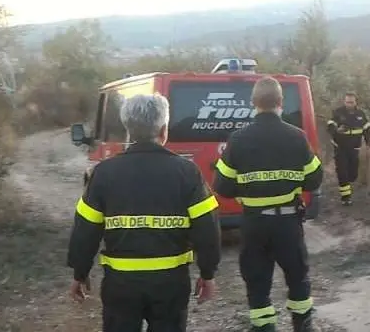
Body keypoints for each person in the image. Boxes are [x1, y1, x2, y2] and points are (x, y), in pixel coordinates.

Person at [66, 93, 221, 332]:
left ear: (128, 131)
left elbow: (85, 229)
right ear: (164, 130)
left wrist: (80, 272)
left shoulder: (104, 173)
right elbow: (207, 227)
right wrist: (208, 273)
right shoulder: (188, 172)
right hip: (170, 283)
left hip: (121, 284)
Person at [212, 77, 324, 332]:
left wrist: (245, 190)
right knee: (297, 276)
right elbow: (315, 178)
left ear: (253, 103)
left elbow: (222, 185)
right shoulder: (297, 137)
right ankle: (303, 325)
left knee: (257, 279)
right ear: (280, 102)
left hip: (255, 223)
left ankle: (264, 327)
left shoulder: (238, 139)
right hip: (288, 222)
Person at [325, 92, 370, 205]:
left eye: (351, 102)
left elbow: (367, 130)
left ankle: (349, 183)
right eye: (347, 102)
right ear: (344, 102)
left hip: (355, 148)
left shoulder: (361, 114)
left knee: (352, 175)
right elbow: (330, 126)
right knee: (342, 172)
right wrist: (336, 130)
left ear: (355, 102)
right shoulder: (338, 112)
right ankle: (346, 198)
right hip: (340, 148)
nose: (349, 104)